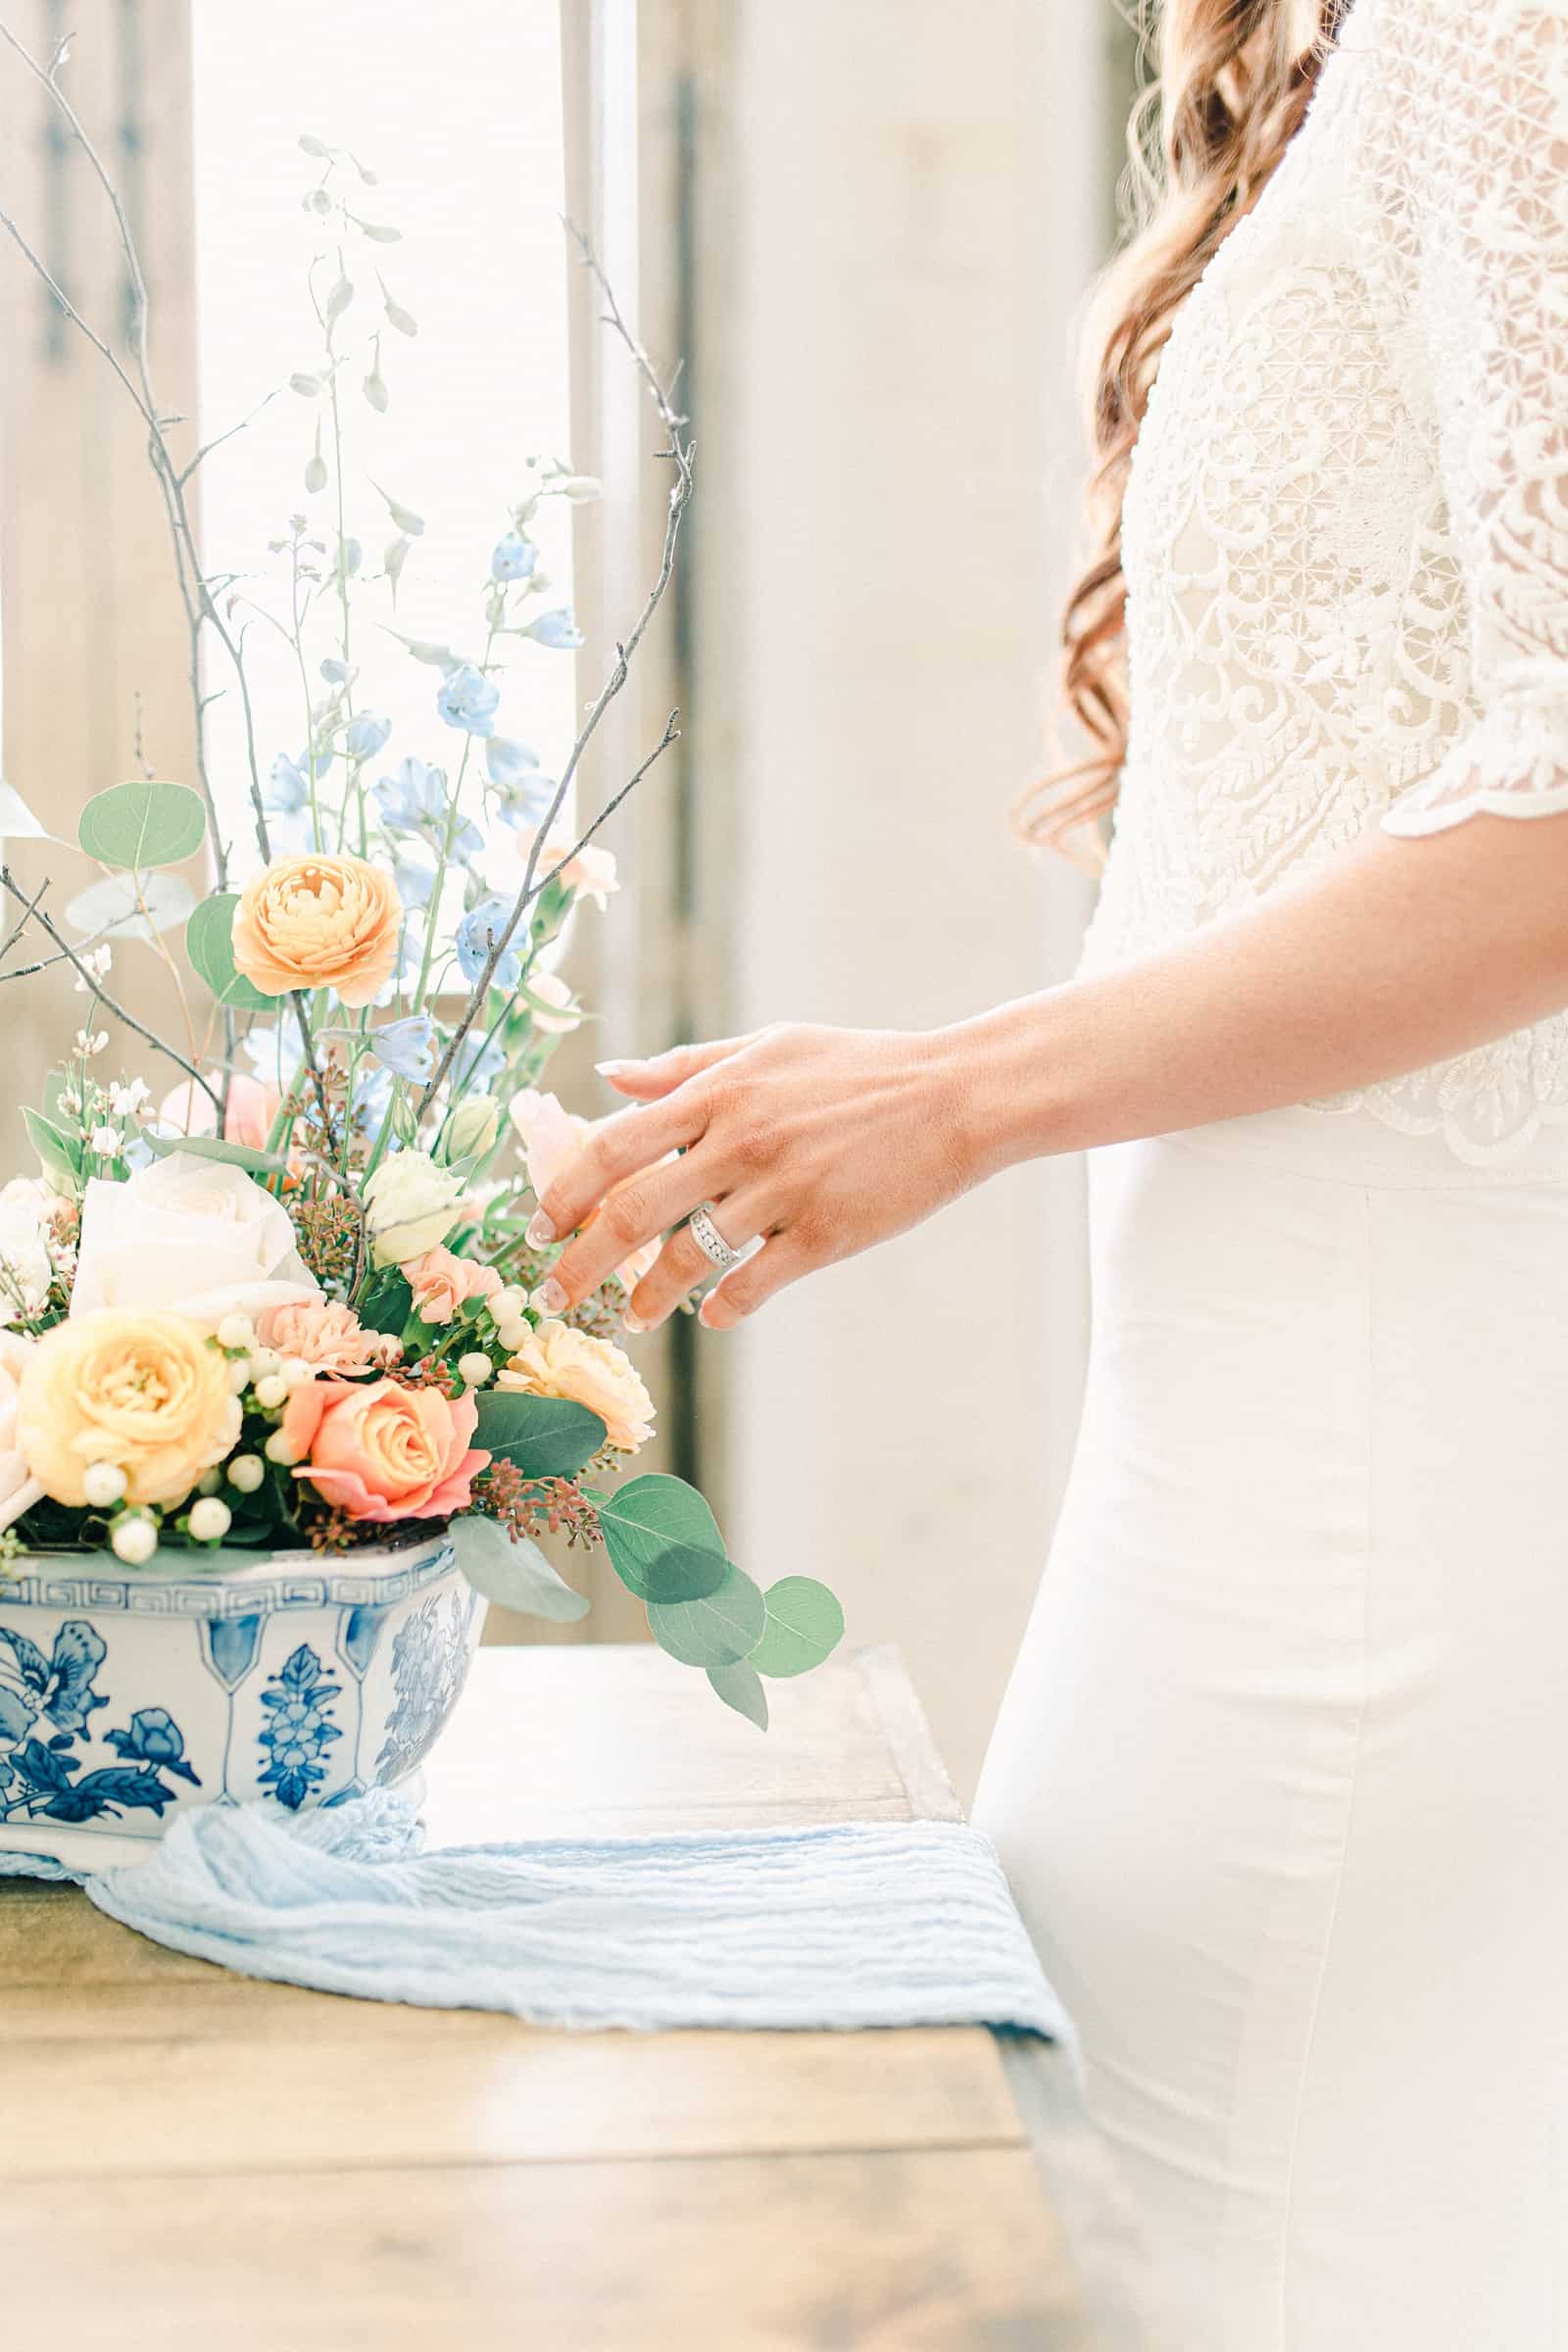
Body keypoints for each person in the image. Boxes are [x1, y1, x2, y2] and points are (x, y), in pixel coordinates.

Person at [526, 0, 1568, 2339]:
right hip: (1237, 1390)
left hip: (1381, 1425)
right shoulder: (1348, 43)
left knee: (1209, 2253)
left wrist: (955, 1092)